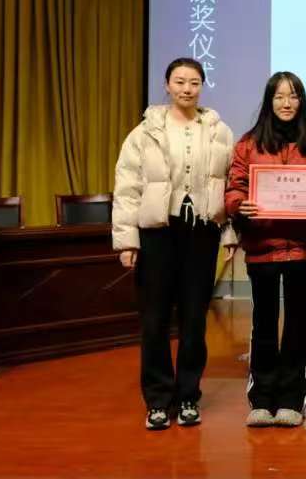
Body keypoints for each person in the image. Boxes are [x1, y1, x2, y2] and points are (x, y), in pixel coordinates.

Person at [112, 57, 236, 430]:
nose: (187, 88)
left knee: (195, 319)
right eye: (179, 81)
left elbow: (230, 186)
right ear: (167, 85)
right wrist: (127, 241)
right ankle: (157, 400)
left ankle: (187, 398)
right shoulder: (144, 132)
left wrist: (230, 232)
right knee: (155, 319)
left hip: (202, 231)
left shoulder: (218, 131)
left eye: (194, 82)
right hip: (157, 231)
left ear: (202, 86)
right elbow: (127, 187)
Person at [225, 71, 306, 428]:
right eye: (279, 96)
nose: (286, 103)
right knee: (262, 323)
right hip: (261, 246)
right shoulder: (248, 144)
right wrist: (238, 204)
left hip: (301, 248)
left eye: (293, 96)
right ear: (269, 101)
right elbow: (235, 187)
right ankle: (261, 399)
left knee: (296, 325)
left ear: (301, 101)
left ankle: (292, 398)